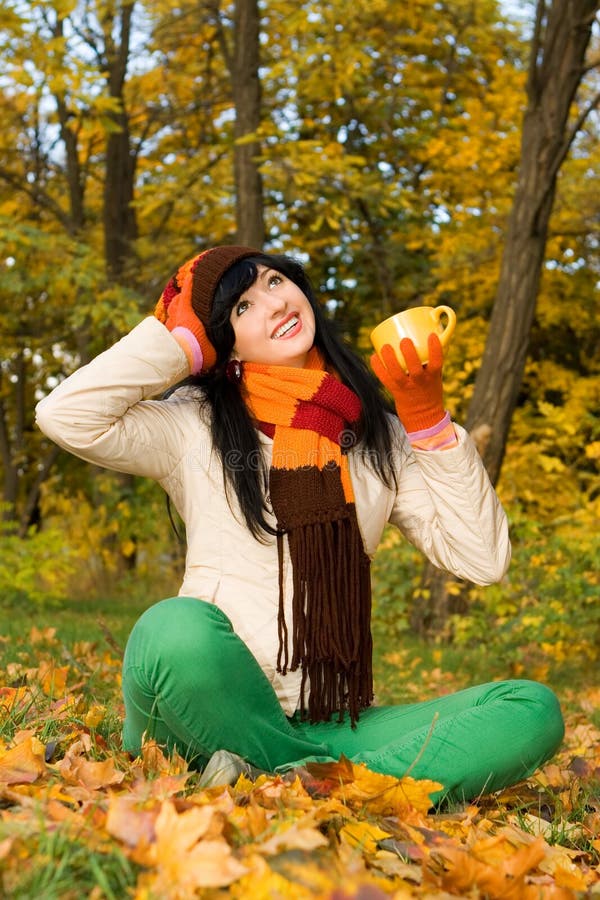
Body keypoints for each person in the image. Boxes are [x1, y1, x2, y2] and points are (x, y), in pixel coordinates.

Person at [36, 245, 564, 803]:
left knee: (531, 709)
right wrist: (179, 344)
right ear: (223, 342)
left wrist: (428, 422)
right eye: (240, 308)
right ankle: (355, 786)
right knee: (173, 631)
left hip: (329, 722)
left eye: (272, 281)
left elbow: (481, 559)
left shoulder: (378, 437)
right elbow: (65, 416)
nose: (271, 303)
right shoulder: (193, 421)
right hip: (204, 704)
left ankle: (299, 783)